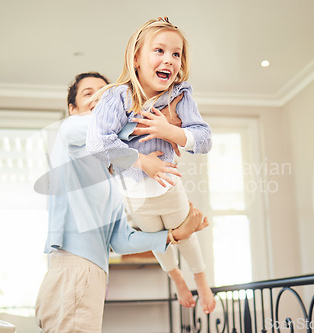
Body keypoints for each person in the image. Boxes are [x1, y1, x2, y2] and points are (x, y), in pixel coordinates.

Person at [34, 72, 209, 333]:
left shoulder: (113, 180)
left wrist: (173, 235)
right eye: (88, 93)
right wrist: (156, 125)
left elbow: (121, 240)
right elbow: (102, 131)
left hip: (92, 272)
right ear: (72, 108)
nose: (98, 98)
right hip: (74, 267)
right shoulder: (70, 132)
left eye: (106, 93)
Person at [86, 18, 216, 314]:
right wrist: (141, 160)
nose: (169, 60)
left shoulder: (179, 94)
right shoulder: (116, 97)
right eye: (159, 50)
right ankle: (178, 280)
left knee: (185, 233)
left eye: (176, 54)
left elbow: (205, 139)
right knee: (161, 243)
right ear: (136, 58)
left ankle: (201, 279)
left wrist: (171, 132)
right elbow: (97, 143)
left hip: (168, 186)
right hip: (134, 193)